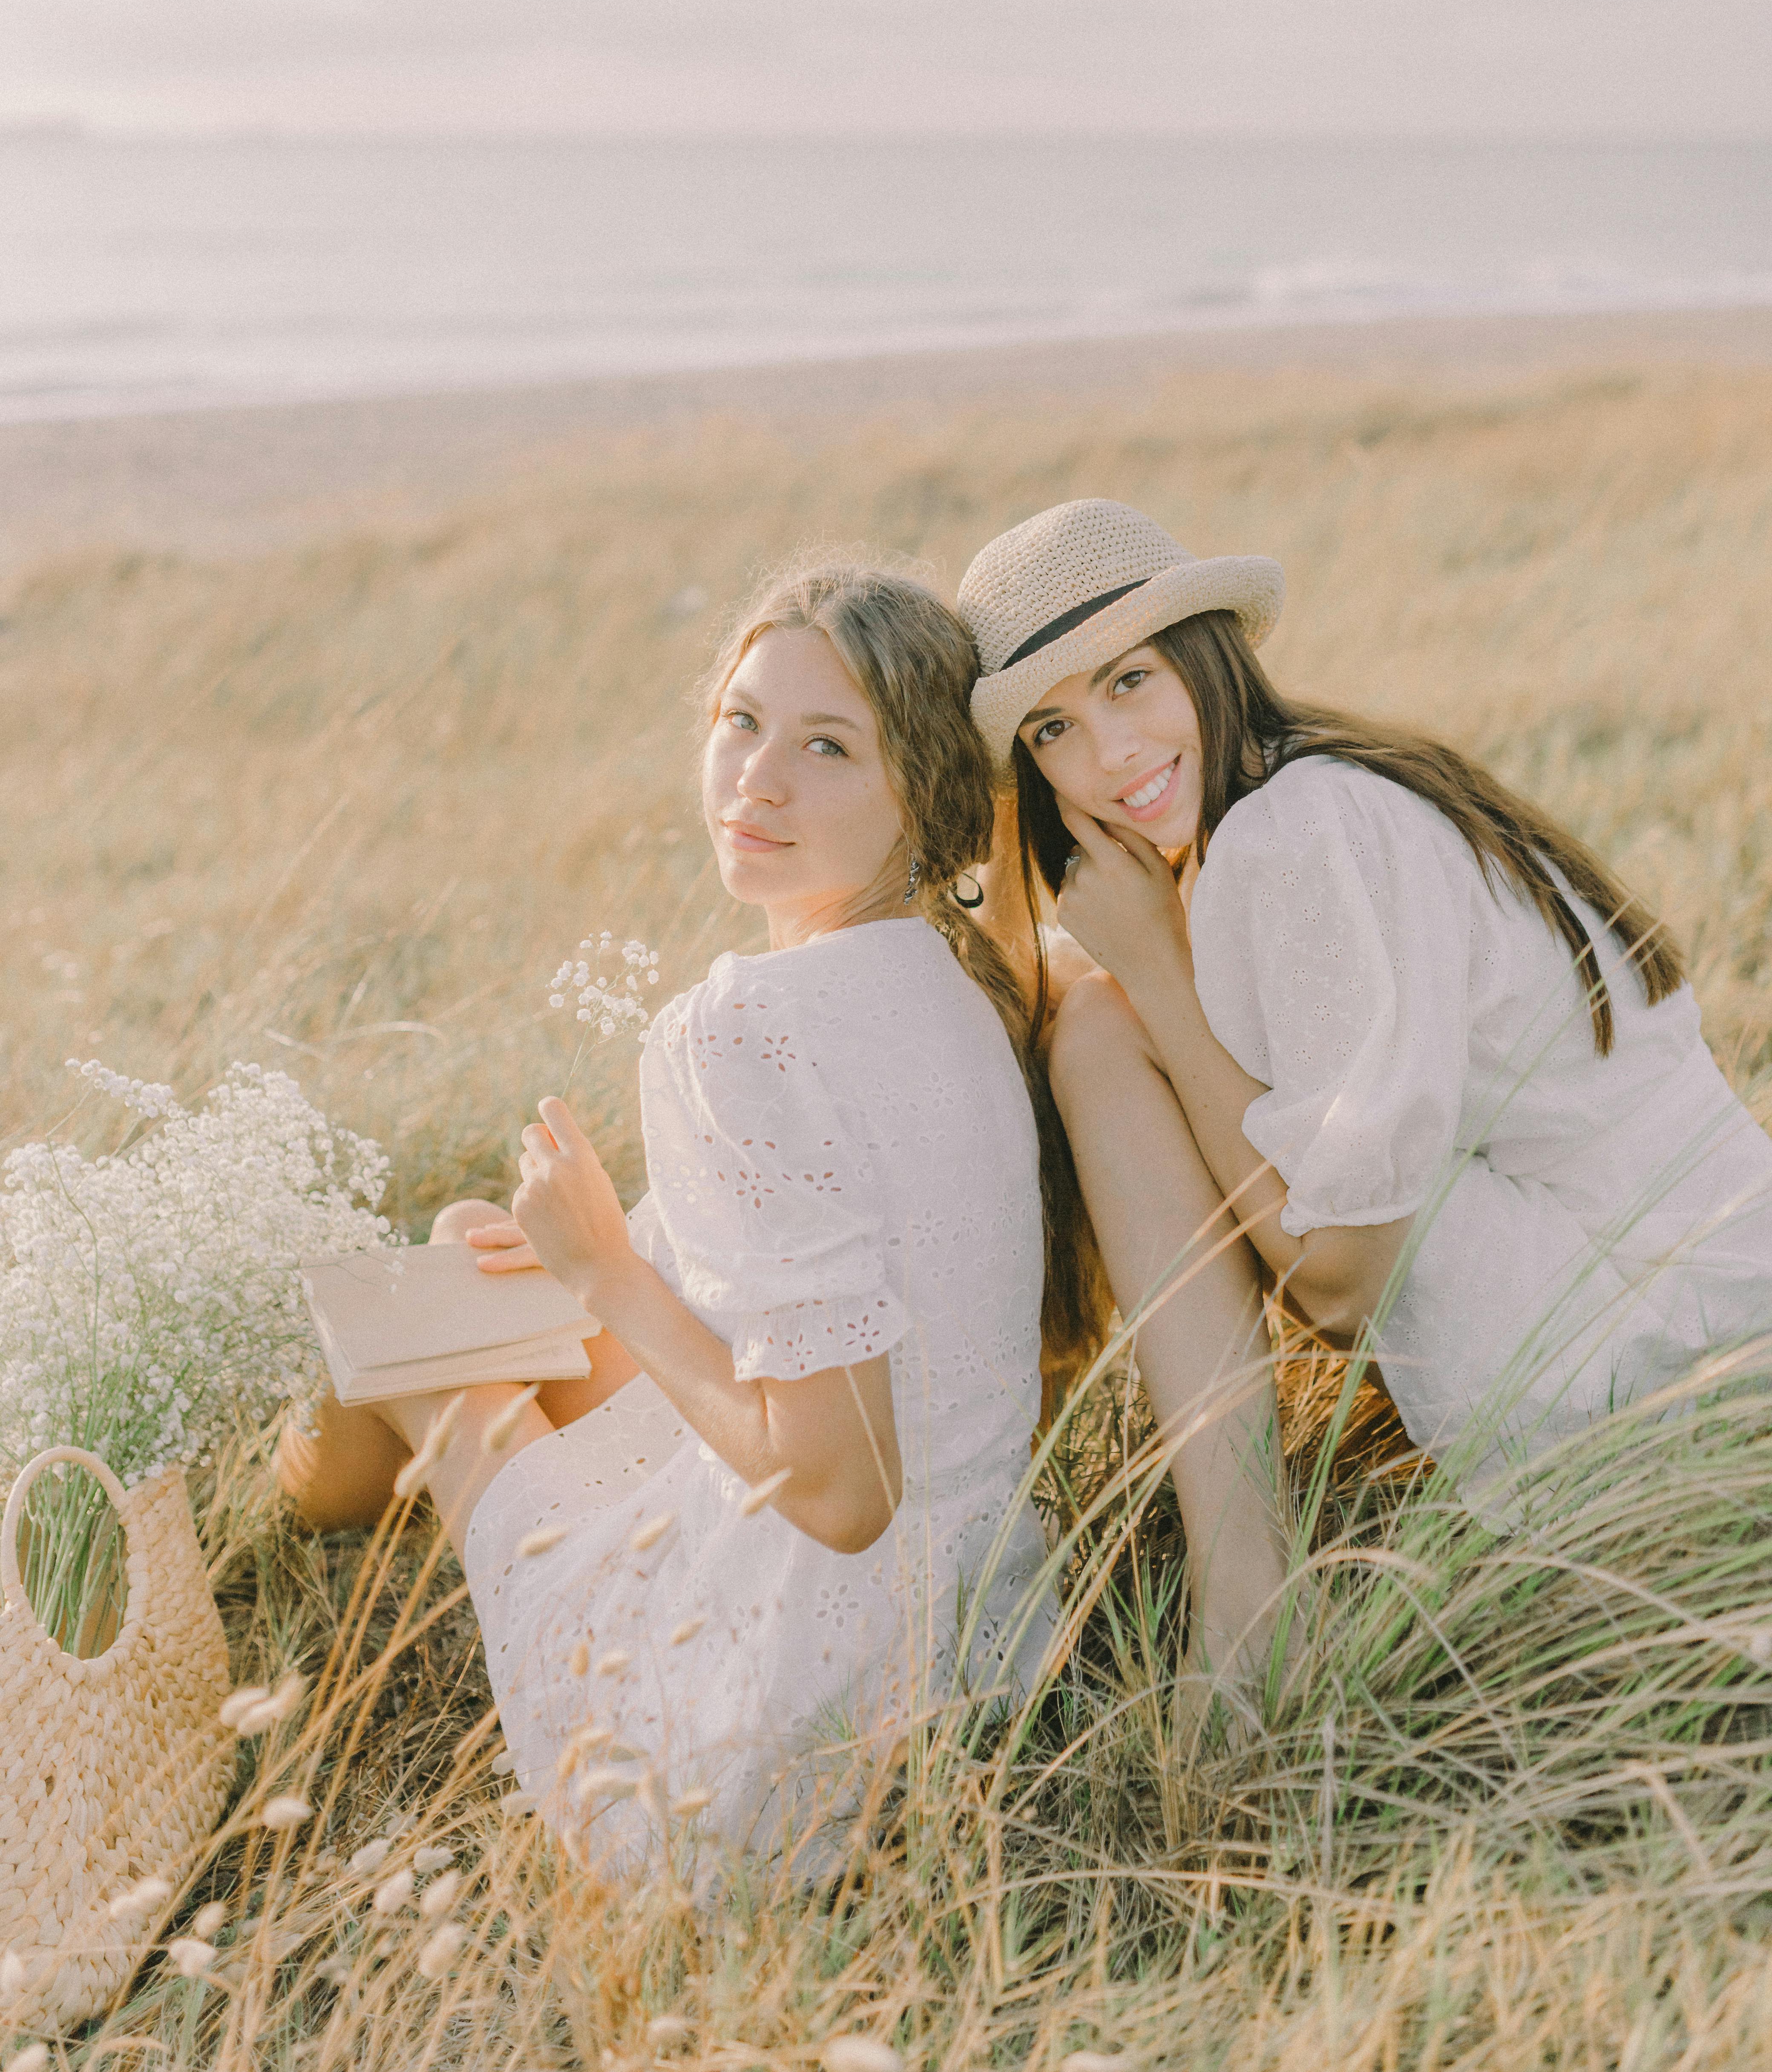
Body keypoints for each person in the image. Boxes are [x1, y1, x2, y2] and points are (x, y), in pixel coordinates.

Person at [278, 561, 1102, 1870]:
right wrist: (604, 1252)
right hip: (980, 1670)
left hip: (758, 1747)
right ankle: (321, 1481)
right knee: (465, 1240)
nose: (758, 780)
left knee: (438, 1363)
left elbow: (840, 1490)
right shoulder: (966, 996)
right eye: (742, 720)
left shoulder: (742, 1030)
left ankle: (300, 1511)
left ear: (930, 800)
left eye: (828, 747)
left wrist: (610, 1277)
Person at [956, 496, 1772, 1705]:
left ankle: (1248, 1612)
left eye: (1132, 681)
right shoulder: (1317, 786)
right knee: (1095, 1013)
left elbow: (1341, 1280)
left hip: (1668, 1369)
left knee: (1103, 1027)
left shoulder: (1298, 834)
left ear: (1204, 652)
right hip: (1706, 1304)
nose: (1110, 757)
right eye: (1054, 730)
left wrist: (1158, 977)